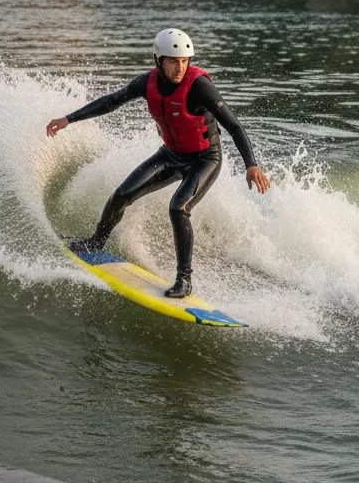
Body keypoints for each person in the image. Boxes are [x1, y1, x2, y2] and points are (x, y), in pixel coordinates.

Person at [46, 30, 271, 299]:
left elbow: (234, 126)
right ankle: (96, 241)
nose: (180, 67)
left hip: (205, 159)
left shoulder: (200, 86)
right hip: (171, 155)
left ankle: (184, 280)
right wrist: (68, 119)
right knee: (121, 195)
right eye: (173, 61)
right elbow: (111, 101)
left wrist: (251, 165)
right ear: (158, 60)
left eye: (185, 61)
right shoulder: (146, 83)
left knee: (178, 208)